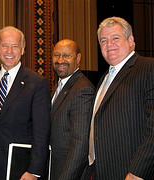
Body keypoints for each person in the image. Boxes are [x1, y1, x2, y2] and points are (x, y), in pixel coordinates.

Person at [87, 16, 154, 180]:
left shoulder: (148, 67)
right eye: (103, 40)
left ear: (131, 40)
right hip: (102, 171)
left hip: (132, 172)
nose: (109, 45)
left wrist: (138, 171)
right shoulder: (104, 79)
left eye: (115, 38)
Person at [0, 26, 51, 180]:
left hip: (19, 168)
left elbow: (41, 131)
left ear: (23, 49)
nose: (9, 51)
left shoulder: (37, 83)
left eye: (15, 46)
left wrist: (34, 170)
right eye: (5, 45)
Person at [50, 39, 95, 180]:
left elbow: (80, 145)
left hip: (67, 172)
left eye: (67, 56)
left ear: (78, 58)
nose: (60, 60)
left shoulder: (83, 89)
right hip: (54, 167)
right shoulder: (58, 85)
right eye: (56, 55)